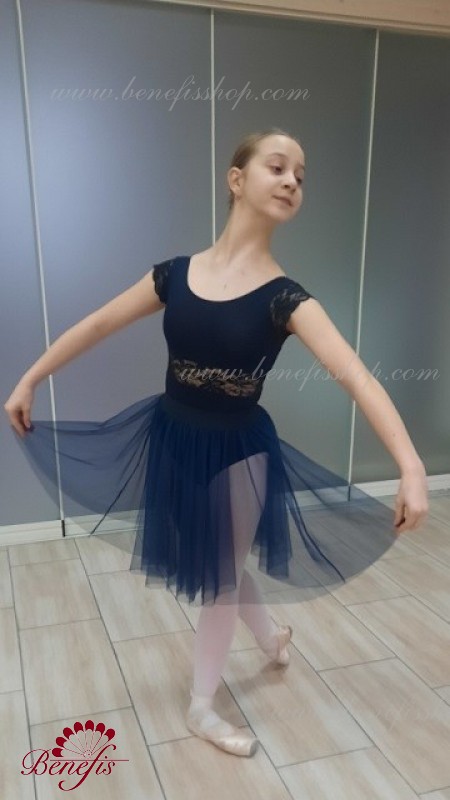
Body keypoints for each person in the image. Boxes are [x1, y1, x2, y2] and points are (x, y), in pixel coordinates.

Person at [4, 128, 429, 758]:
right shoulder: (175, 275)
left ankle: (202, 707)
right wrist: (32, 377)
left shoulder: (287, 299)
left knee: (219, 577)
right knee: (222, 565)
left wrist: (411, 466)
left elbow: (358, 377)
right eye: (277, 167)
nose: (292, 181)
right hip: (173, 435)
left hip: (239, 452)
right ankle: (273, 639)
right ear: (236, 179)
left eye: (301, 175)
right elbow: (98, 323)